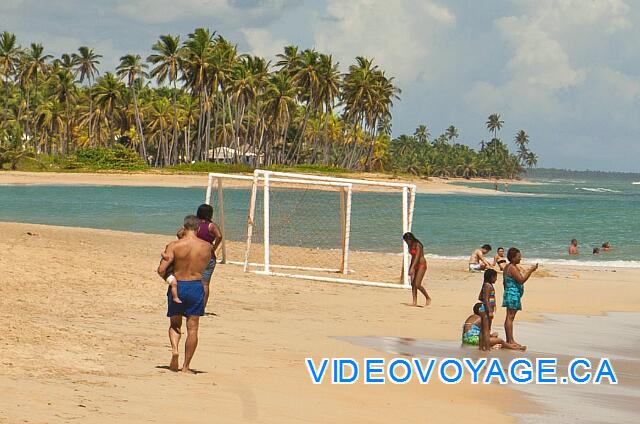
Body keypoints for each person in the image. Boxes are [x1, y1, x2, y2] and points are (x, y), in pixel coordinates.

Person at [158, 215, 212, 374]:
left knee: (175, 324)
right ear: (198, 228)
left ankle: (175, 350)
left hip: (179, 284)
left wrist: (169, 278)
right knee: (193, 329)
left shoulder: (175, 246)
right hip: (196, 286)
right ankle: (186, 366)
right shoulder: (207, 247)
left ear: (184, 226)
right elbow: (206, 266)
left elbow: (161, 270)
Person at [177, 204, 223, 309]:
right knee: (205, 284)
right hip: (207, 256)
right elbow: (219, 236)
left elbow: (179, 233)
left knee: (190, 280)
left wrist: (185, 243)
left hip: (193, 255)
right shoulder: (211, 226)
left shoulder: (194, 224)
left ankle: (187, 304)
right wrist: (214, 247)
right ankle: (201, 308)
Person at [502, 247, 538, 349]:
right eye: (518, 257)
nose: (520, 259)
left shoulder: (508, 267)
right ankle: (510, 340)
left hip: (510, 293)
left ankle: (509, 340)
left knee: (509, 317)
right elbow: (521, 280)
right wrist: (530, 271)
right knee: (510, 317)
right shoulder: (512, 268)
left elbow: (505, 282)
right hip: (512, 294)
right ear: (513, 258)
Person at [403, 232, 431, 306]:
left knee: (417, 284)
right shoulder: (410, 245)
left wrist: (412, 268)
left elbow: (418, 257)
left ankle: (427, 297)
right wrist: (411, 267)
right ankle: (414, 301)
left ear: (411, 239)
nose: (406, 242)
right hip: (414, 264)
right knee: (413, 284)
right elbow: (413, 257)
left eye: (407, 240)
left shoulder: (418, 245)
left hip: (421, 264)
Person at [477, 269, 497, 351]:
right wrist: (490, 311)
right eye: (495, 277)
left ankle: (481, 347)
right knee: (487, 330)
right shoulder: (488, 286)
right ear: (491, 277)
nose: (496, 279)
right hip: (486, 310)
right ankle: (487, 348)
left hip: (483, 309)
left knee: (483, 329)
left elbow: (481, 297)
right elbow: (486, 299)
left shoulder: (485, 285)